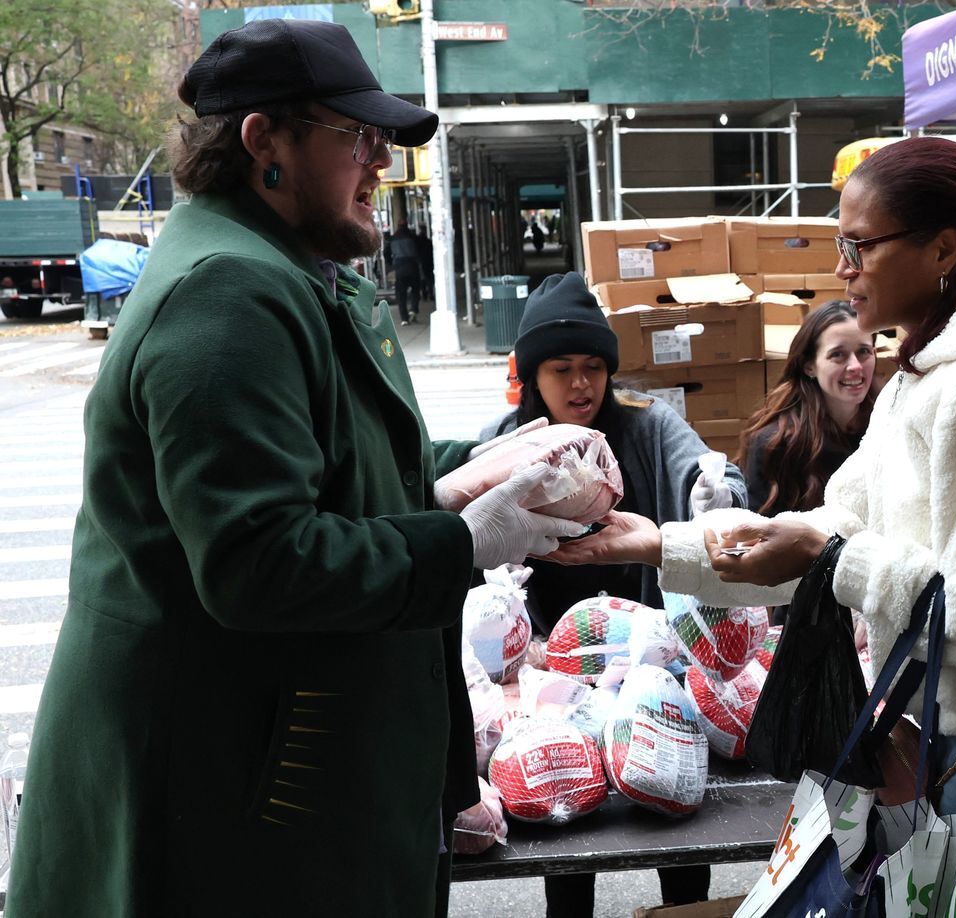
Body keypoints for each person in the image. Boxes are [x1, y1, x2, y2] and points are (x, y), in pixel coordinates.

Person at [2, 20, 584, 918]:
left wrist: (468, 469)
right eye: (357, 137)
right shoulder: (228, 291)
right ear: (262, 141)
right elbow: (260, 561)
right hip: (232, 792)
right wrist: (461, 540)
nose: (381, 162)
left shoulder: (283, 268)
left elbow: (326, 455)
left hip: (267, 771)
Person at [553, 137, 956, 817]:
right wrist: (663, 545)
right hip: (955, 739)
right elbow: (839, 526)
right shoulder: (929, 376)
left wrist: (834, 558)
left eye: (859, 247)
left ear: (943, 251)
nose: (841, 269)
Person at [475, 271, 744, 916]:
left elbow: (709, 474)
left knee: (679, 824)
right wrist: (522, 646)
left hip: (653, 659)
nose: (579, 384)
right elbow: (473, 561)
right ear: (532, 375)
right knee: (569, 833)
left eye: (593, 366)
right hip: (550, 668)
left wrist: (716, 497)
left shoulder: (646, 428)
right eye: (560, 367)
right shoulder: (503, 448)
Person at [740, 299, 878, 517]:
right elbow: (760, 534)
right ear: (809, 366)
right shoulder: (775, 443)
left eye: (864, 351)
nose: (855, 366)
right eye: (838, 355)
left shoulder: (888, 426)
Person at [391, 218, 422, 324]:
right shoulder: (413, 237)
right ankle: (413, 309)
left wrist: (392, 263)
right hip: (412, 266)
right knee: (415, 289)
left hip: (399, 267)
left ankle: (404, 318)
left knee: (401, 294)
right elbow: (420, 249)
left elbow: (386, 252)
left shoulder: (393, 238)